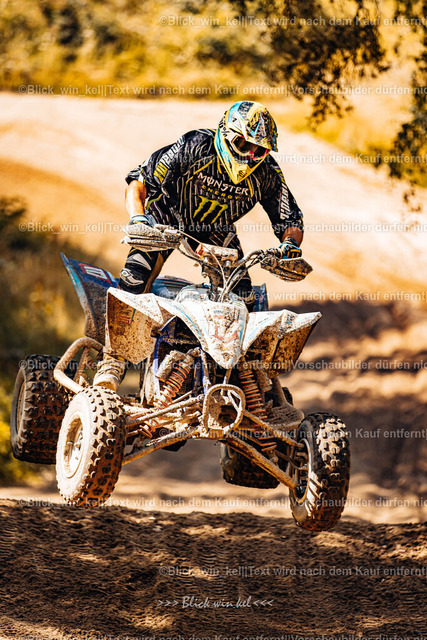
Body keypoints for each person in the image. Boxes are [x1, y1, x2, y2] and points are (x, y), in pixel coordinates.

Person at [94, 100, 304, 391]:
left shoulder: (267, 172)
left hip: (216, 228)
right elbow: (139, 181)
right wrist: (139, 219)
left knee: (244, 296)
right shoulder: (195, 145)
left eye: (259, 150)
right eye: (243, 144)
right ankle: (112, 361)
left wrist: (289, 245)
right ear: (226, 135)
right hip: (167, 215)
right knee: (135, 275)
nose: (250, 155)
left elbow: (290, 218)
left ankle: (240, 377)